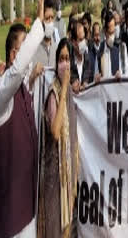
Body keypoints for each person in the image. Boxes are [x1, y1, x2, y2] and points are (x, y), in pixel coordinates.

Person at [0, 0, 47, 238]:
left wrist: (33, 81)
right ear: (14, 54)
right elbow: (17, 71)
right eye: (24, 50)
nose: (28, 58)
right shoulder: (3, 90)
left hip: (28, 207)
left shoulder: (23, 89)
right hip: (13, 216)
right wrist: (38, 22)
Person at [37, 40, 79, 237]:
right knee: (55, 229)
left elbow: (73, 136)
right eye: (61, 58)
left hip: (67, 176)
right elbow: (55, 131)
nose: (64, 63)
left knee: (67, 229)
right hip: (55, 178)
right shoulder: (54, 93)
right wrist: (62, 92)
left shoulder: (69, 91)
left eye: (67, 58)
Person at [97, 10, 128, 80]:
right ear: (105, 32)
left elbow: (126, 73)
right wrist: (97, 77)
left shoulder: (122, 47)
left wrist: (120, 75)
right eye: (110, 33)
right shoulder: (100, 49)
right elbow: (96, 73)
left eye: (113, 32)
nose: (111, 36)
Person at [71, 19, 96, 92]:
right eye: (80, 39)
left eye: (84, 38)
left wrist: (87, 84)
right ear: (73, 42)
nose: (84, 42)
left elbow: (91, 81)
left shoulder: (88, 59)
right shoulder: (68, 62)